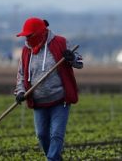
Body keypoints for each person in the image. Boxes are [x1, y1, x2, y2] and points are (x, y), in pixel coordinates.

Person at [14, 17, 83, 161]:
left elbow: (79, 63)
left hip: (60, 100)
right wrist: (20, 92)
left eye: (29, 35)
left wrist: (71, 58)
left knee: (56, 135)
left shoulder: (60, 43)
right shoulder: (26, 51)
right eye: (25, 36)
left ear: (40, 32)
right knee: (42, 135)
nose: (26, 38)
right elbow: (21, 74)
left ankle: (51, 159)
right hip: (39, 102)